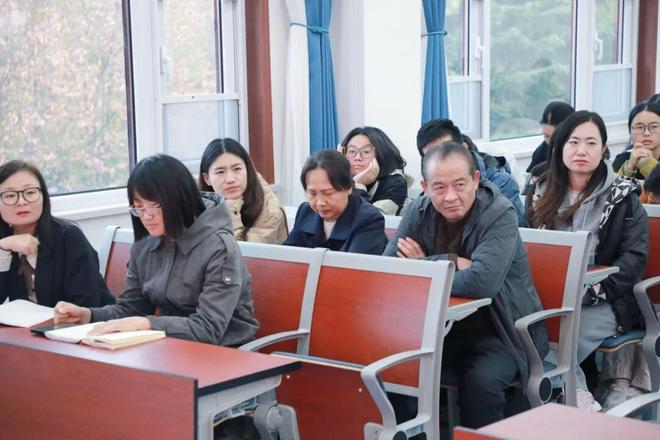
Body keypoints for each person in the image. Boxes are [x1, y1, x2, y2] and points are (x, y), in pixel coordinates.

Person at [384, 142, 548, 428]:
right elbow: (390, 270)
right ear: (424, 187)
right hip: (441, 329)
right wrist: (449, 260)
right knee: (392, 365)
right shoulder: (418, 210)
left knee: (480, 382)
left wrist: (421, 264)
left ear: (475, 180)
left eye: (459, 184)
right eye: (439, 187)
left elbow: (481, 283)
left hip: (502, 330)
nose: (450, 196)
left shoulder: (499, 213)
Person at [54, 154, 259, 346]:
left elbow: (208, 328)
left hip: (226, 351)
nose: (146, 216)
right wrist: (88, 315)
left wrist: (146, 324)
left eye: (153, 206)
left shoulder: (219, 247)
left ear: (179, 199)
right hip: (170, 346)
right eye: (138, 207)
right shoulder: (146, 242)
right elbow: (132, 308)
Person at [526, 111, 648, 409]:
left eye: (591, 143)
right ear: (560, 147)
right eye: (574, 142)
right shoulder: (539, 190)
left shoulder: (623, 196)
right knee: (525, 332)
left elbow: (633, 260)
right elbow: (524, 247)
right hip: (547, 299)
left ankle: (572, 399)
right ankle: (579, 396)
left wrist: (589, 292)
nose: (581, 150)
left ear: (603, 149)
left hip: (604, 301)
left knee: (553, 338)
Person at [0, 160, 114, 307]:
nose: (21, 202)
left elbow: (86, 302)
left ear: (43, 196)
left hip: (80, 320)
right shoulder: (5, 241)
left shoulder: (69, 237)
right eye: (10, 195)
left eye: (30, 192)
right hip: (29, 322)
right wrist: (3, 249)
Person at [416, 118, 527, 226]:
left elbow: (511, 229)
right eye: (432, 156)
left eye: (448, 151)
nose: (442, 160)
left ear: (464, 147)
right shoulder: (430, 189)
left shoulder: (500, 182)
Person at [284, 150, 387, 254]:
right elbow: (287, 256)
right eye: (312, 193)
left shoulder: (368, 219)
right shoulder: (306, 212)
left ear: (349, 187)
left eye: (328, 193)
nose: (320, 203)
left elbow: (355, 263)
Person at [199, 138, 287, 244]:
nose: (230, 179)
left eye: (237, 169)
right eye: (220, 172)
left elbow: (245, 252)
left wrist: (230, 211)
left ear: (247, 170)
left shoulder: (270, 209)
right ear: (207, 179)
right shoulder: (202, 205)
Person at [340, 126, 408, 215]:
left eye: (366, 151)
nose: (357, 157)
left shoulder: (395, 183)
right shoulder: (338, 177)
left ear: (382, 154)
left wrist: (358, 185)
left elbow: (372, 219)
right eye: (352, 151)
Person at [612, 102, 660, 180]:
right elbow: (611, 187)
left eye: (654, 126)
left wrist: (647, 165)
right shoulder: (622, 159)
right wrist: (629, 168)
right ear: (630, 132)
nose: (646, 133)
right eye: (639, 127)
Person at [526, 101, 576, 174]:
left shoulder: (579, 153)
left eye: (554, 137)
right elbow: (530, 176)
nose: (550, 142)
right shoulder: (540, 153)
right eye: (546, 136)